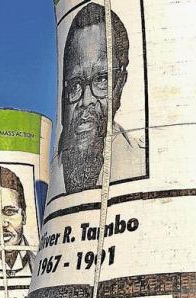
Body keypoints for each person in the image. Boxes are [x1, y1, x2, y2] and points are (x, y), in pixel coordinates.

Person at [51, 2, 145, 196]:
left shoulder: (138, 161)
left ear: (119, 84)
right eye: (75, 85)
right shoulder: (55, 171)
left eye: (101, 79)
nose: (86, 100)